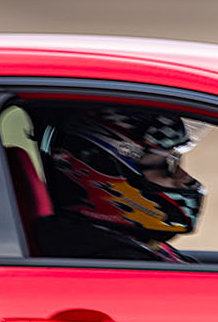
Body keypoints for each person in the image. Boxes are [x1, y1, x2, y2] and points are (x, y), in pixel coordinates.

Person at [34, 106, 206, 261]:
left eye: (175, 163)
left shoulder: (128, 246)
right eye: (163, 167)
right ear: (103, 168)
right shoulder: (115, 260)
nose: (184, 179)